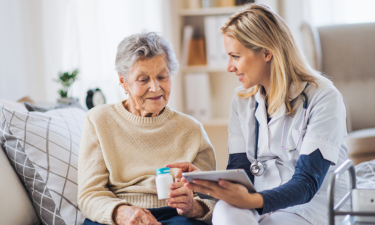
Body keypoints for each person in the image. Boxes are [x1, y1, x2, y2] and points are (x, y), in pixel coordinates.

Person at [167, 4, 349, 225]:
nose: (229, 67)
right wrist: (204, 182)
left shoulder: (324, 97)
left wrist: (253, 200)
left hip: (307, 207)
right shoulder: (242, 99)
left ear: (266, 52)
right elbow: (240, 172)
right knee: (225, 214)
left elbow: (307, 183)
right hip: (254, 203)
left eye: (235, 56)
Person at [78, 32, 216, 225]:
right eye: (143, 80)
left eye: (162, 76)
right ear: (123, 81)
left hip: (175, 215)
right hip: (119, 213)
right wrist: (121, 213)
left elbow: (212, 199)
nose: (156, 88)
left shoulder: (191, 129)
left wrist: (193, 207)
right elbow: (89, 195)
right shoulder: (99, 120)